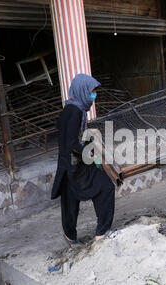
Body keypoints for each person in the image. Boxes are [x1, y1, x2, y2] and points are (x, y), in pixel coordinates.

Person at [51, 74, 115, 245]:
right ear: (82, 91)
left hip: (67, 164)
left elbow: (68, 138)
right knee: (105, 186)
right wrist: (89, 153)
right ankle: (102, 233)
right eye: (92, 91)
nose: (94, 95)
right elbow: (72, 142)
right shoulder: (75, 112)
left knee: (70, 200)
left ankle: (70, 237)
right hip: (76, 165)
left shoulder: (69, 108)